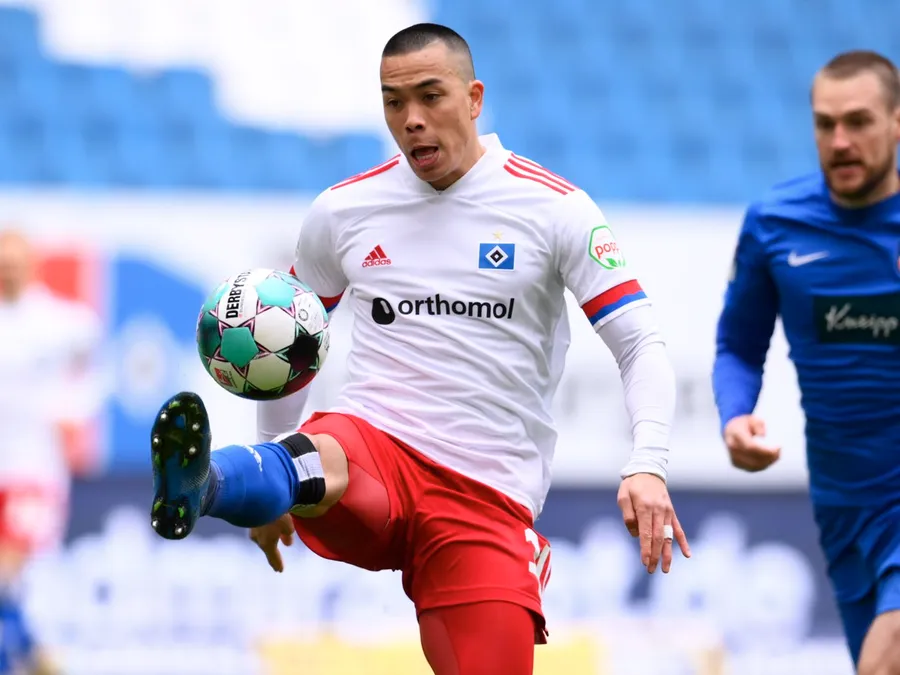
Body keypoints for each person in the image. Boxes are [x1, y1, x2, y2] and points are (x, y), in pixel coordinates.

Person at [151, 23, 690, 674]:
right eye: (393, 102)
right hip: (376, 450)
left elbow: (639, 341)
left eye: (430, 96)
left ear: (474, 98)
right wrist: (267, 483)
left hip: (485, 497)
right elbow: (288, 347)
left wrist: (648, 462)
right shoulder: (343, 211)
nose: (411, 119)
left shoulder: (555, 209)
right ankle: (207, 484)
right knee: (318, 454)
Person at [712, 50, 900, 673]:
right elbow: (739, 346)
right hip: (842, 500)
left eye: (858, 121)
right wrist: (735, 416)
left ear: (896, 122)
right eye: (825, 124)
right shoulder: (776, 223)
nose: (840, 141)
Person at [0, 229, 100, 675]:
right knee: (11, 588)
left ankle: (33, 656)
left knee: (9, 571)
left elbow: (92, 374)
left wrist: (75, 412)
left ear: (31, 264)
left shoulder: (64, 323)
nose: (8, 270)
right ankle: (35, 657)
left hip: (33, 470)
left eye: (14, 261)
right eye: (2, 262)